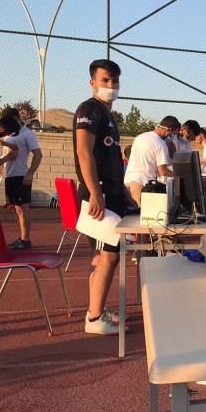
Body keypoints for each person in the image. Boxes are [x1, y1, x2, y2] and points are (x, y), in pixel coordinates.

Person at [73, 59, 132, 335]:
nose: (111, 85)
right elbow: (83, 151)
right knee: (108, 255)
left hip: (112, 193)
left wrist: (123, 192)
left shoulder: (107, 114)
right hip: (99, 195)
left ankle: (95, 309)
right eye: (105, 80)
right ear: (93, 82)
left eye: (115, 80)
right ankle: (95, 318)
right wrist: (96, 192)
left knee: (104, 255)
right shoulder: (89, 109)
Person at [0, 107, 43, 250]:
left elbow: (38, 155)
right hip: (9, 175)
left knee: (22, 209)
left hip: (20, 176)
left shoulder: (27, 134)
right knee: (16, 209)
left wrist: (30, 173)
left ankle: (25, 240)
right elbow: (10, 149)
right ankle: (22, 238)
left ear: (17, 118)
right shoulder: (7, 133)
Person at [123, 116, 177, 206]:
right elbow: (163, 171)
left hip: (128, 181)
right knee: (141, 212)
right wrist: (178, 175)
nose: (172, 137)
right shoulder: (160, 144)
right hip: (143, 185)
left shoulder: (140, 137)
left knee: (130, 212)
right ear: (168, 130)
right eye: (173, 134)